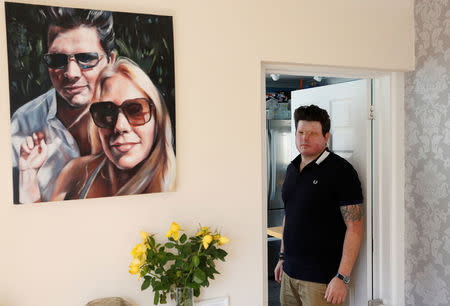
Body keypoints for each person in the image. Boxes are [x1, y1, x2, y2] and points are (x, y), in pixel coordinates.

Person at [11, 6, 116, 203]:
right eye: (57, 59)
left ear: (110, 61)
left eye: (86, 58)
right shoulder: (22, 123)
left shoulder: (133, 121)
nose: (71, 73)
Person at [48, 57, 176, 200]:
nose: (120, 126)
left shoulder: (175, 184)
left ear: (157, 118)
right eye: (106, 113)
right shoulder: (74, 174)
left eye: (135, 110)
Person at [274, 105, 364, 306]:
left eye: (313, 133)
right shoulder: (291, 168)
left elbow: (355, 227)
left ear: (326, 137)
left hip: (321, 282)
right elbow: (289, 214)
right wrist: (282, 257)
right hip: (289, 276)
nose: (304, 138)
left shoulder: (341, 171)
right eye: (301, 132)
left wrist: (342, 278)